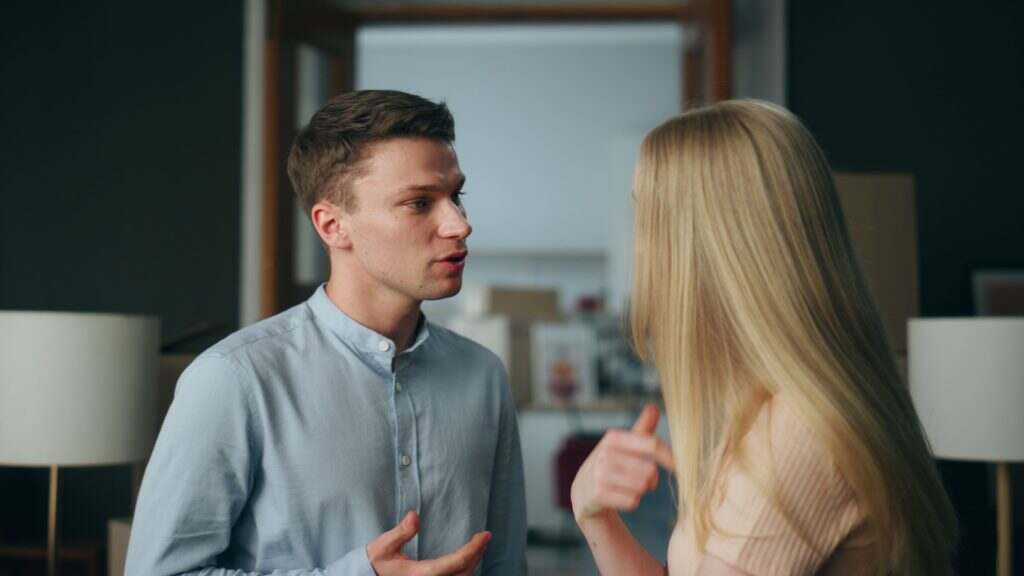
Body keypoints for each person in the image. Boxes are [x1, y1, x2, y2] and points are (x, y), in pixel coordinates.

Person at [126, 90, 527, 575]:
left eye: (456, 196)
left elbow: (506, 565)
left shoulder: (483, 375)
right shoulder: (233, 380)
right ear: (332, 225)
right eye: (419, 203)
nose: (459, 225)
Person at [570, 100, 957, 575]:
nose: (642, 251)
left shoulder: (795, 436)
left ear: (708, 249)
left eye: (647, 222)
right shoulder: (783, 413)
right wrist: (596, 518)